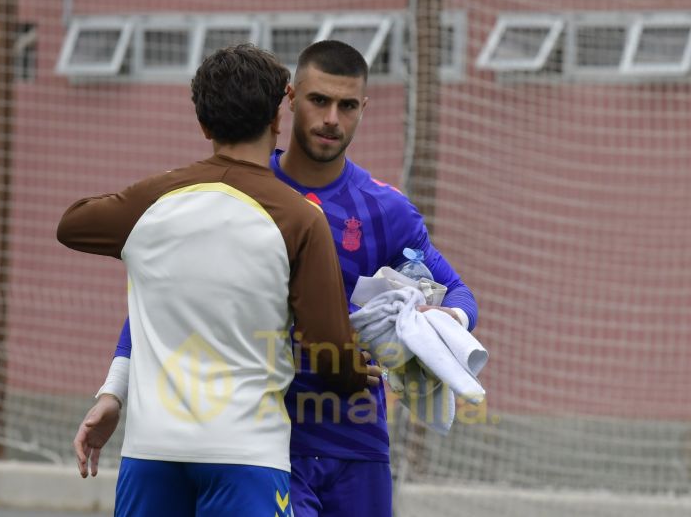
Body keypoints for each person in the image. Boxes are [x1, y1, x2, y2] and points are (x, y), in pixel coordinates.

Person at [80, 40, 478, 517]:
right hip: (269, 447)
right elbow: (167, 294)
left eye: (347, 105)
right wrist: (115, 388)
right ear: (288, 101)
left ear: (363, 109)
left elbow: (459, 292)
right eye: (319, 101)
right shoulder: (234, 188)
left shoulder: (385, 209)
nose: (332, 118)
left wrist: (442, 319)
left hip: (355, 442)